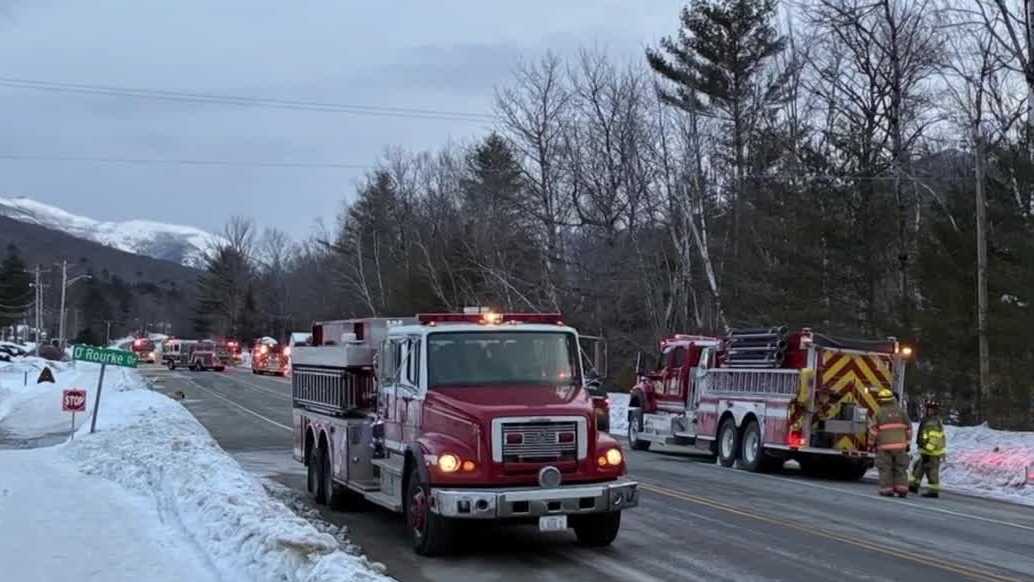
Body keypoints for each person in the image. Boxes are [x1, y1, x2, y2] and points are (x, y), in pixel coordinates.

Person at [870, 388, 912, 497]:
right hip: (900, 446)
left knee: (885, 468)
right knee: (900, 468)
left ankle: (886, 489)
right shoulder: (901, 412)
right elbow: (909, 429)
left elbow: (874, 430)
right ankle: (902, 489)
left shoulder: (879, 413)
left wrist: (871, 443)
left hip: (884, 447)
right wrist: (908, 443)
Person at [910, 399, 946, 498]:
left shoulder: (932, 422)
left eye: (929, 409)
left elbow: (934, 439)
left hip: (932, 452)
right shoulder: (928, 420)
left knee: (932, 471)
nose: (927, 410)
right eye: (927, 408)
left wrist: (928, 451)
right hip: (927, 451)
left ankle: (933, 491)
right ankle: (913, 485)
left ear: (934, 410)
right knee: (919, 467)